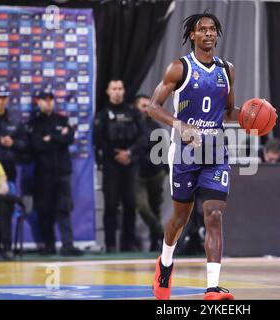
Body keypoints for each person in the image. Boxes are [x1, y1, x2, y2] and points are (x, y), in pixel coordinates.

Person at [148, 12, 240, 300]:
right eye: (203, 29)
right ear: (192, 35)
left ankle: (212, 287)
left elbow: (228, 112)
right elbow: (152, 106)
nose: (209, 33)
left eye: (212, 29)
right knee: (179, 218)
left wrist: (251, 118)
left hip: (215, 150)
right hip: (184, 153)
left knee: (213, 215)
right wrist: (179, 124)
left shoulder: (227, 70)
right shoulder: (179, 68)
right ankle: (165, 262)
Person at [29, 88, 82, 256]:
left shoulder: (62, 119)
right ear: (38, 102)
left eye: (51, 99)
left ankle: (68, 245)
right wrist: (58, 137)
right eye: (45, 99)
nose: (48, 102)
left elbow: (68, 138)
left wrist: (50, 138)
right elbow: (37, 145)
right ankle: (48, 245)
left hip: (62, 173)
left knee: (64, 209)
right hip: (43, 174)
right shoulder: (35, 123)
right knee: (45, 211)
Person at [96, 79, 146, 253]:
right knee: (110, 204)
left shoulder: (133, 113)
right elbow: (98, 140)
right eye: (114, 89)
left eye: (120, 88)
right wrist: (115, 154)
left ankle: (129, 243)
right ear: (108, 92)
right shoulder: (103, 115)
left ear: (124, 91)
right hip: (111, 164)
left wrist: (129, 153)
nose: (117, 92)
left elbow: (143, 136)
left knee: (130, 204)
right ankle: (110, 244)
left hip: (131, 164)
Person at [134, 94, 165, 252]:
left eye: (148, 106)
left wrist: (165, 170)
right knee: (142, 207)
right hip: (138, 174)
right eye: (143, 106)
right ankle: (162, 232)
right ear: (136, 107)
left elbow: (163, 148)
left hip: (155, 173)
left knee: (155, 208)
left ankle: (156, 242)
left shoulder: (154, 126)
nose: (146, 109)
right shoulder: (132, 125)